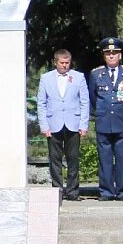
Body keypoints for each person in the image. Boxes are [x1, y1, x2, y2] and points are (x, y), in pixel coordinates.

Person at [89, 37, 123, 201]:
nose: (111, 56)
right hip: (104, 122)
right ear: (104, 56)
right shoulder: (96, 74)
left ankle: (122, 191)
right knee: (105, 159)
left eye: (114, 53)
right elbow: (93, 98)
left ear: (120, 55)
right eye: (108, 53)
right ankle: (107, 192)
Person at [36, 49, 89, 201]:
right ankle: (57, 192)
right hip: (53, 124)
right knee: (55, 159)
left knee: (73, 159)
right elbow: (41, 103)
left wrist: (83, 125)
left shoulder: (78, 77)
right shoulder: (45, 78)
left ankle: (72, 191)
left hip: (73, 123)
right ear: (55, 62)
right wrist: (44, 126)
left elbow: (84, 102)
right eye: (62, 63)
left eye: (67, 63)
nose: (65, 66)